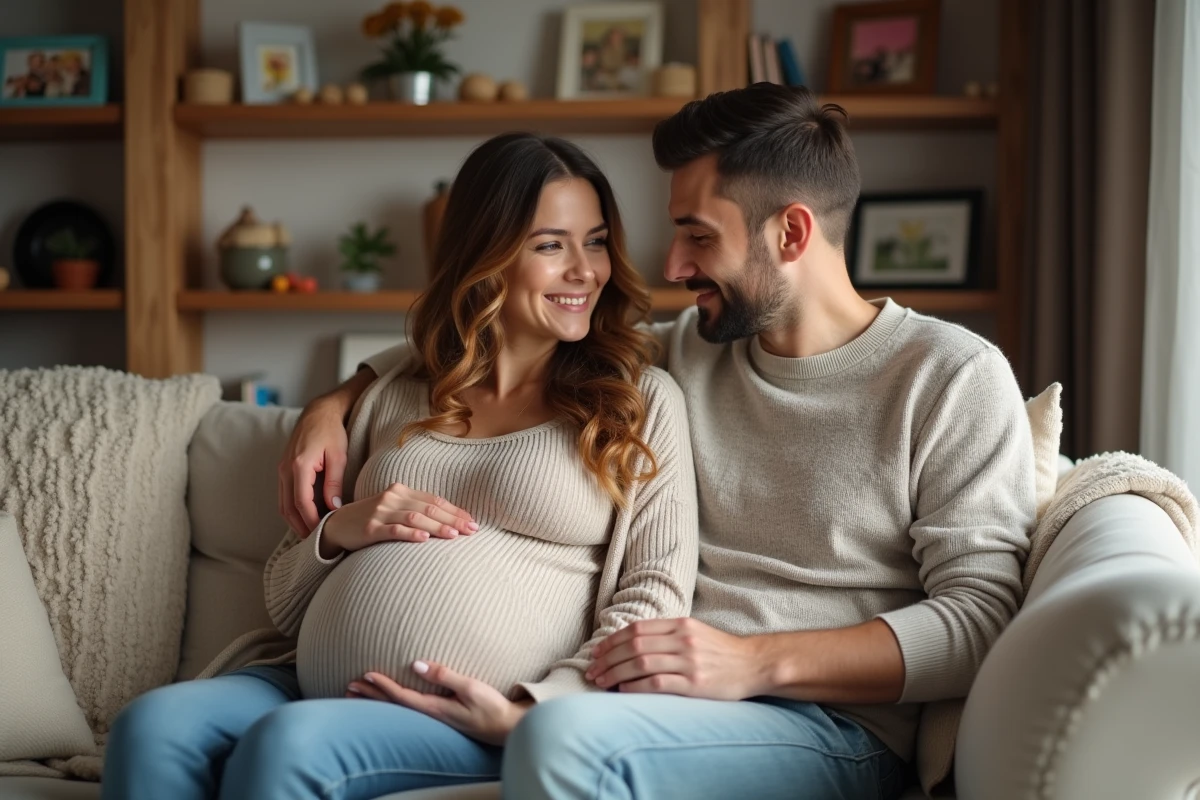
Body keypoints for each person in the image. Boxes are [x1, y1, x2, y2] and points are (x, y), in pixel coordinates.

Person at [282, 85, 1036, 799]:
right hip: (660, 700)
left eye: (698, 236)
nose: (673, 268)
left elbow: (980, 617)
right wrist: (336, 400)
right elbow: (493, 341)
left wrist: (751, 662)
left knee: (560, 737)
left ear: (792, 232)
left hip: (826, 726)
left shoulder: (949, 377)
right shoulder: (694, 349)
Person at [101, 133, 698, 800]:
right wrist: (340, 530)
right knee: (149, 727)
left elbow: (653, 595)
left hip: (474, 714)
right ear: (486, 255)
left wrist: (533, 714)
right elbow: (284, 595)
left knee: (287, 748)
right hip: (306, 680)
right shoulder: (396, 393)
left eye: (594, 241)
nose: (586, 270)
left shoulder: (637, 404)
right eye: (550, 244)